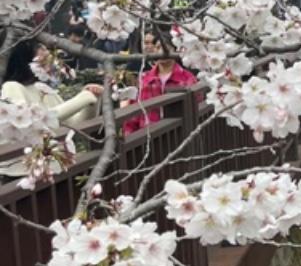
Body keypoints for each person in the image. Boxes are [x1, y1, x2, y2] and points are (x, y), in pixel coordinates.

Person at [2, 41, 103, 176]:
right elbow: (33, 122)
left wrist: (92, 101)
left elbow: (75, 123)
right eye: (43, 59)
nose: (49, 63)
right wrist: (82, 98)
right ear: (25, 60)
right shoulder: (11, 87)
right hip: (22, 172)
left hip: (54, 168)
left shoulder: (44, 89)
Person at [123, 31, 197, 135]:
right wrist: (129, 136)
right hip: (147, 135)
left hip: (179, 135)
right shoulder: (144, 79)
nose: (161, 51)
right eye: (158, 47)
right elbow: (133, 113)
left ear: (175, 50)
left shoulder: (187, 78)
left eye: (166, 48)